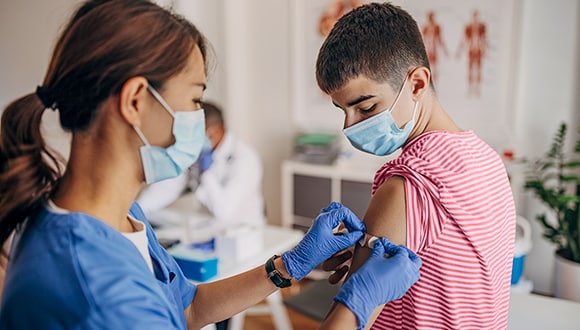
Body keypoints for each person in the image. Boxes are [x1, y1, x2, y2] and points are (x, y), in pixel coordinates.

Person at [0, 1, 421, 329]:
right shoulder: (94, 289)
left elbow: (188, 309)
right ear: (135, 102)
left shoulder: (125, 217)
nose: (200, 120)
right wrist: (355, 304)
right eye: (196, 99)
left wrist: (289, 264)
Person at [316, 3, 515, 329]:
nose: (349, 127)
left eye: (365, 107)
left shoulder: (408, 186)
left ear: (417, 84)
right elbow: (457, 266)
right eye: (342, 111)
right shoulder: (486, 158)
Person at [137, 101, 266, 228]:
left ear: (216, 130)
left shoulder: (245, 158)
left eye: (197, 133)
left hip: (243, 232)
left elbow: (224, 211)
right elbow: (170, 186)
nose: (192, 138)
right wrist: (137, 208)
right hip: (209, 228)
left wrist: (207, 174)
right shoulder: (201, 153)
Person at [456, 9, 487, 96]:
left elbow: (484, 39)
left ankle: (477, 89)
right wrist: (459, 51)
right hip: (471, 50)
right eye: (474, 16)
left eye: (476, 16)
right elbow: (463, 40)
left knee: (478, 70)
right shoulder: (468, 26)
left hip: (478, 50)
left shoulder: (482, 27)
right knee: (470, 70)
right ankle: (470, 89)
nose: (475, 18)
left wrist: (485, 50)